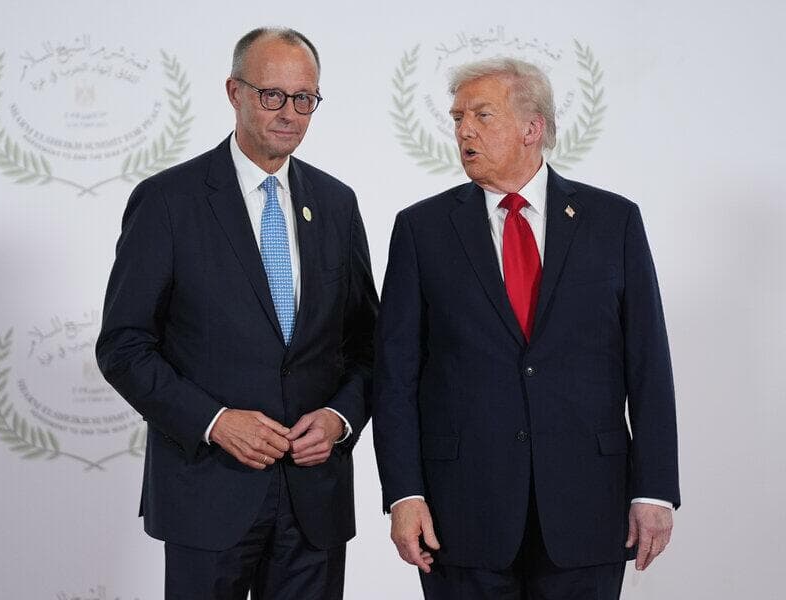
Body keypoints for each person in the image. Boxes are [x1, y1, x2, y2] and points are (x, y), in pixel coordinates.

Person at [372, 57, 679, 599]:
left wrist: (653, 490)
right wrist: (404, 494)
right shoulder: (421, 229)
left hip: (589, 507)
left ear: (532, 128)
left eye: (482, 115)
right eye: (458, 117)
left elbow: (648, 363)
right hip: (461, 513)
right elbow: (394, 376)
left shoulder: (613, 221)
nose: (464, 130)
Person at [96, 27, 377, 600]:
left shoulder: (336, 203)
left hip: (314, 501)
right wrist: (215, 421)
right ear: (234, 92)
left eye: (304, 98)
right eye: (272, 95)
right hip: (207, 493)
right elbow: (123, 346)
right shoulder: (168, 201)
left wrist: (339, 419)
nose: (289, 113)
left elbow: (369, 345)